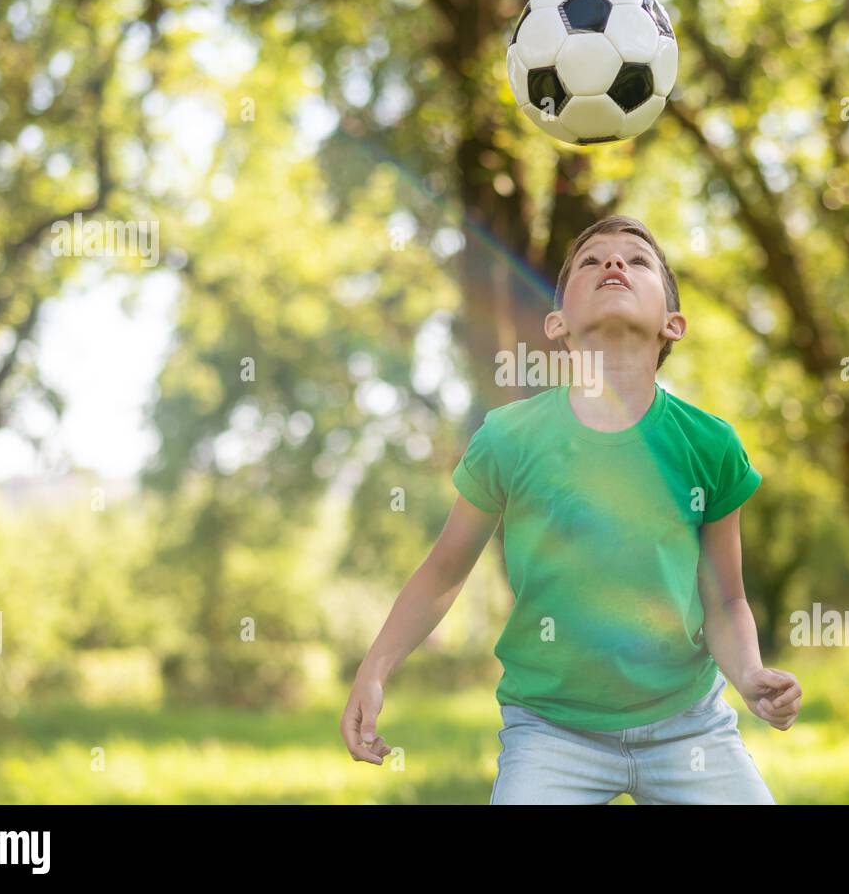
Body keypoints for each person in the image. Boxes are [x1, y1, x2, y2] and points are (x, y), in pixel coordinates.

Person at [341, 215, 801, 804]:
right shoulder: (509, 439)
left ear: (673, 324)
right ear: (556, 323)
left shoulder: (709, 446)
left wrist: (750, 677)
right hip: (552, 733)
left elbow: (726, 599)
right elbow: (443, 572)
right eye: (592, 261)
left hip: (689, 726)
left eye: (637, 261)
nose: (614, 265)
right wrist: (375, 668)